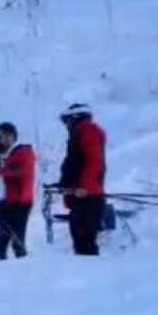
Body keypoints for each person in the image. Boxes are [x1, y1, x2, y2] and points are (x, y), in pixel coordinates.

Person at [56, 104, 106, 256]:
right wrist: (64, 184)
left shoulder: (88, 131)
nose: (66, 125)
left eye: (67, 121)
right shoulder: (79, 134)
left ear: (76, 117)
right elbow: (76, 164)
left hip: (88, 198)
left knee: (85, 244)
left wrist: (85, 187)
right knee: (80, 243)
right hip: (80, 198)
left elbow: (95, 161)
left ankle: (91, 275)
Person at [0, 122, 37, 260]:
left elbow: (21, 170)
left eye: (7, 135)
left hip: (19, 201)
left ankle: (23, 270)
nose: (3, 139)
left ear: (14, 137)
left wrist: (1, 171)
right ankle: (0, 272)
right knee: (0, 243)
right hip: (3, 202)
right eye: (0, 136)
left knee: (18, 241)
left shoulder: (23, 151)